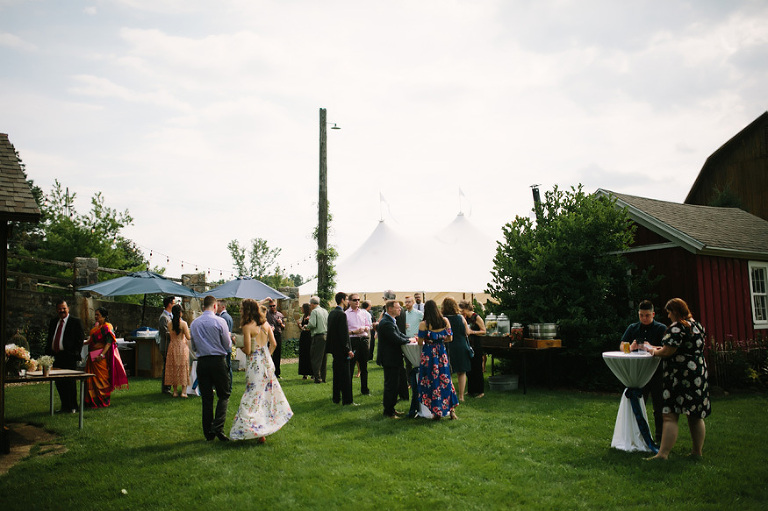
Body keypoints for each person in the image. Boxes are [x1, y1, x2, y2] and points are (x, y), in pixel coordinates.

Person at [645, 298, 711, 460]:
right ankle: (697, 452)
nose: (668, 316)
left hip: (679, 375)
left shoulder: (677, 327)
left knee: (670, 415)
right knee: (695, 415)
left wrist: (652, 351)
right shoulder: (697, 326)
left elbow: (667, 352)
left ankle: (663, 454)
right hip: (697, 373)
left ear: (675, 311)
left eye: (669, 312)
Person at [230, 299, 293, 443]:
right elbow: (274, 344)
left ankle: (244, 430)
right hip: (267, 363)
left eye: (242, 309)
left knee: (251, 396)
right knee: (264, 397)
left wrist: (236, 343)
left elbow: (248, 350)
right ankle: (261, 431)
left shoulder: (247, 327)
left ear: (247, 311)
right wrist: (266, 356)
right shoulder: (265, 325)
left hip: (255, 364)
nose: (240, 311)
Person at [621, 300, 667, 441]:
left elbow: (667, 349)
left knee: (659, 406)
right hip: (639, 373)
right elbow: (622, 346)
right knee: (638, 404)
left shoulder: (661, 328)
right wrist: (631, 347)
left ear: (653, 314)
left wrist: (650, 347)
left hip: (657, 372)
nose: (644, 318)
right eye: (641, 315)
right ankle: (637, 436)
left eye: (647, 315)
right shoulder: (633, 328)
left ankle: (660, 437)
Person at [190, 295, 232, 441]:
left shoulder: (194, 323)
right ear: (215, 306)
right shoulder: (220, 321)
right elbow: (227, 345)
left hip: (202, 361)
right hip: (217, 361)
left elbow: (193, 346)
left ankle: (208, 432)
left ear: (203, 307)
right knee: (224, 394)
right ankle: (218, 427)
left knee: (207, 397)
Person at [417, 300, 459, 420]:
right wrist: (440, 341)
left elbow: (420, 342)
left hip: (429, 355)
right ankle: (451, 411)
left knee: (431, 381)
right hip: (441, 353)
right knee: (445, 380)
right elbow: (450, 338)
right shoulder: (445, 321)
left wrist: (428, 341)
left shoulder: (424, 324)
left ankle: (436, 412)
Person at [46, 299, 85, 413]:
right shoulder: (54, 322)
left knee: (70, 382)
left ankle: (73, 406)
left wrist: (75, 353)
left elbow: (80, 339)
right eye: (59, 309)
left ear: (68, 308)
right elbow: (50, 338)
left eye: (64, 308)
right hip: (56, 356)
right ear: (56, 310)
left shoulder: (75, 321)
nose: (62, 311)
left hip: (69, 356)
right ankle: (64, 406)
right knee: (59, 383)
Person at [84, 307, 128, 408]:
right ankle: (91, 401)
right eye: (95, 315)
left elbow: (108, 343)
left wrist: (101, 355)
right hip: (92, 357)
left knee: (101, 379)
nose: (96, 317)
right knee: (91, 379)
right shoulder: (96, 327)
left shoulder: (108, 327)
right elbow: (90, 340)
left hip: (100, 358)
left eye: (98, 315)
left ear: (104, 316)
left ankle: (103, 401)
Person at [377, 299, 414, 418]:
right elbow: (396, 338)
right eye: (398, 307)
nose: (400, 309)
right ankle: (388, 411)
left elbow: (400, 334)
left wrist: (409, 338)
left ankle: (391, 408)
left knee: (394, 384)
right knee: (391, 385)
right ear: (390, 309)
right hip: (390, 358)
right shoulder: (386, 322)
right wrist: (409, 340)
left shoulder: (390, 320)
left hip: (393, 358)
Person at [327, 292, 355, 405]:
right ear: (342, 300)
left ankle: (336, 397)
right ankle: (347, 400)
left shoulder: (332, 313)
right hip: (342, 350)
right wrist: (348, 349)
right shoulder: (342, 314)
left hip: (334, 348)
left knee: (337, 375)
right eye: (347, 299)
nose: (348, 301)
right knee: (345, 376)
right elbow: (343, 335)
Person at [443, 297, 472, 402]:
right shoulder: (461, 318)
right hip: (461, 345)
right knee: (461, 371)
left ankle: (450, 395)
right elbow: (467, 332)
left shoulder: (442, 319)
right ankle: (461, 396)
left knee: (448, 372)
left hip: (448, 345)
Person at [345, 293, 372, 395]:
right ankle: (348, 392)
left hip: (363, 340)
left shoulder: (363, 313)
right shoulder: (346, 314)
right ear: (349, 302)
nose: (357, 302)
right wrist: (354, 332)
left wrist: (365, 328)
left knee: (364, 366)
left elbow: (368, 325)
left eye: (358, 300)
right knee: (351, 367)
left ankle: (365, 390)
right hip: (353, 341)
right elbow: (344, 331)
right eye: (354, 300)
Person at [460, 300, 486, 398]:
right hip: (468, 345)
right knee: (469, 369)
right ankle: (471, 390)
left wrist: (472, 332)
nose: (461, 312)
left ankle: (480, 391)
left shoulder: (476, 317)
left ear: (466, 309)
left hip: (476, 345)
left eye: (462, 310)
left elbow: (483, 331)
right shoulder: (465, 318)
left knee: (477, 368)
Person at [165, 304, 191, 398]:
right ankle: (184, 391)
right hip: (182, 346)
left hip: (172, 346)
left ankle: (175, 391)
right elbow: (188, 337)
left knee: (173, 368)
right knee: (183, 367)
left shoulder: (169, 323)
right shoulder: (183, 324)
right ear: (180, 313)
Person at [216, 300, 235, 390]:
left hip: (225, 347)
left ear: (223, 307)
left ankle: (228, 386)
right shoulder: (225, 317)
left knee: (227, 367)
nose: (216, 307)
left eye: (218, 305)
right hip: (226, 346)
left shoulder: (224, 317)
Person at [265, 298, 286, 379]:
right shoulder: (266, 314)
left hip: (277, 335)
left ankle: (277, 373)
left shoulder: (280, 315)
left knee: (277, 354)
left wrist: (281, 323)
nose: (272, 307)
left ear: (276, 305)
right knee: (268, 353)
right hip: (268, 335)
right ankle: (268, 372)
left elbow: (284, 327)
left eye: (273, 306)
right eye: (270, 306)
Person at [158, 296, 174, 395]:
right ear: (169, 304)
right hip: (165, 346)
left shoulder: (170, 316)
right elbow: (165, 333)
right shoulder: (163, 317)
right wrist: (176, 334)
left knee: (169, 366)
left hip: (170, 345)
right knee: (167, 367)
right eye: (173, 303)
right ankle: (165, 388)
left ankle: (168, 386)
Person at [297, 303, 314, 379]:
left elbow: (312, 326)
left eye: (302, 308)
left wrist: (308, 320)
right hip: (303, 336)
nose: (301, 309)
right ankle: (304, 373)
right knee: (303, 354)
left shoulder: (311, 316)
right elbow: (302, 328)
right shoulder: (303, 316)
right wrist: (299, 325)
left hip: (309, 337)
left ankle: (312, 373)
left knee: (310, 354)